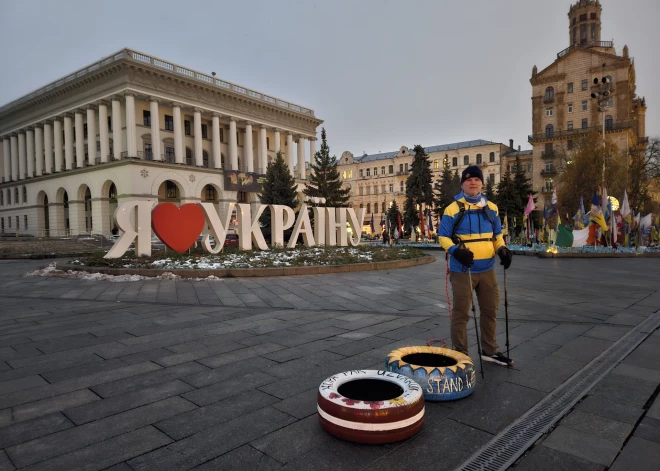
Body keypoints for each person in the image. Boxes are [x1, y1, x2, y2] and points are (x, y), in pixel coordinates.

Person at [438, 166, 514, 367]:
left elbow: (497, 236)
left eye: (476, 179)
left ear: (482, 183)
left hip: (487, 269)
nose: (473, 182)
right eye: (468, 179)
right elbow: (443, 237)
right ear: (462, 184)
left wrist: (503, 250)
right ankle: (460, 354)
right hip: (463, 269)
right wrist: (456, 251)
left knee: (491, 310)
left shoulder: (492, 208)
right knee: (462, 313)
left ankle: (489, 351)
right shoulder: (452, 209)